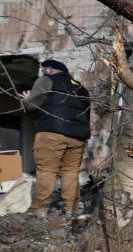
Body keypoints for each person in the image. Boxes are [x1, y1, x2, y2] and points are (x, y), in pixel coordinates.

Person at [19, 59, 90, 217]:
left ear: (49, 70)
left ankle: (41, 210)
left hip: (51, 132)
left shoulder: (46, 80)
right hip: (78, 136)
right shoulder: (81, 87)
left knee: (46, 170)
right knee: (71, 172)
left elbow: (32, 105)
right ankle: (71, 209)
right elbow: (86, 113)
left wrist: (26, 99)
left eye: (43, 70)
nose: (42, 73)